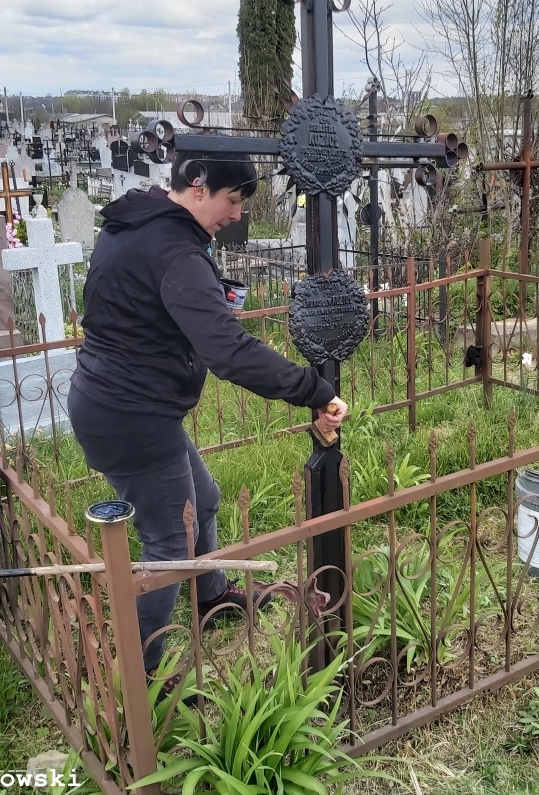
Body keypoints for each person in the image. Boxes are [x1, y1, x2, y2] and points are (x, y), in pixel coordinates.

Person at [67, 151, 347, 685]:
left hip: (118, 400)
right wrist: (313, 389)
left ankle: (211, 594)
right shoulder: (175, 251)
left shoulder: (138, 224)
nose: (237, 214)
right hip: (130, 414)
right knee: (170, 539)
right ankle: (141, 671)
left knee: (205, 499)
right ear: (198, 186)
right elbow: (229, 352)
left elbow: (141, 316)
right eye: (232, 200)